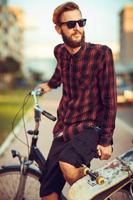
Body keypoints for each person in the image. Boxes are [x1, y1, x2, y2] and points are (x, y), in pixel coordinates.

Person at [38, 2, 117, 200]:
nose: (78, 28)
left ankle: (102, 182)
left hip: (91, 127)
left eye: (81, 22)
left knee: (68, 165)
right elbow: (60, 72)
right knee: (47, 192)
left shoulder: (101, 54)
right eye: (71, 24)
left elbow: (110, 99)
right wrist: (48, 85)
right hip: (64, 127)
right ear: (59, 29)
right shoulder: (60, 52)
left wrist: (106, 141)